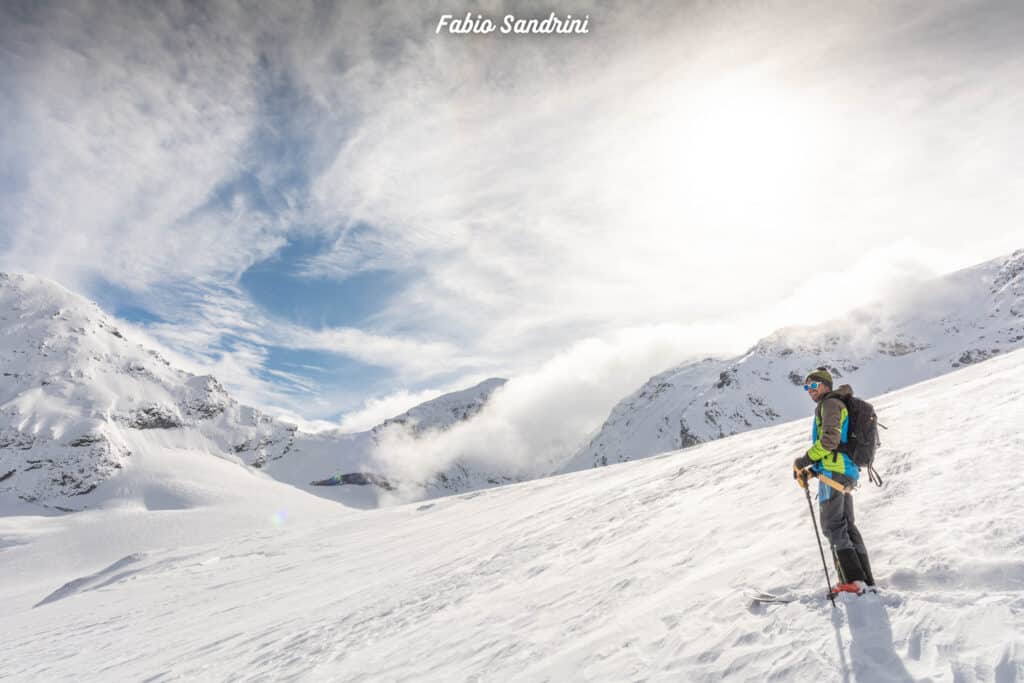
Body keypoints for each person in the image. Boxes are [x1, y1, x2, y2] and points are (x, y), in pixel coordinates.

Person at [793, 367, 876, 595]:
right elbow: (836, 446)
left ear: (826, 385)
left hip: (833, 472)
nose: (809, 390)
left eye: (813, 385)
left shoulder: (829, 404)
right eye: (806, 387)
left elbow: (830, 441)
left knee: (833, 526)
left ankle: (851, 581)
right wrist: (812, 471)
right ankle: (863, 580)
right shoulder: (835, 403)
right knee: (846, 526)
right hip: (844, 471)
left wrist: (804, 460)